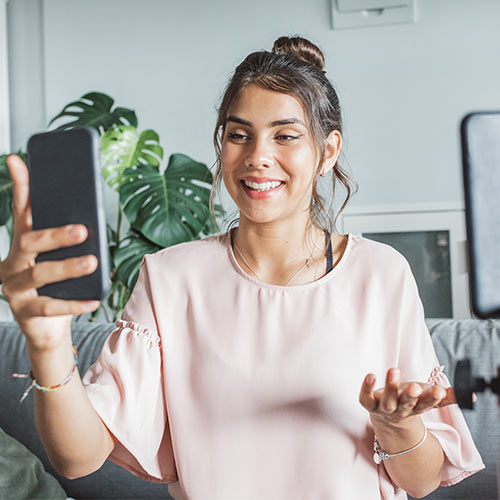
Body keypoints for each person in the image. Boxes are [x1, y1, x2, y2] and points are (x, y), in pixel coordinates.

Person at [0, 36, 484, 500]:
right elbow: (78, 459)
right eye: (239, 135)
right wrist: (47, 344)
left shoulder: (381, 273)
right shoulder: (170, 278)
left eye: (286, 136)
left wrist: (396, 424)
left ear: (328, 151)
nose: (257, 158)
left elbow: (421, 482)